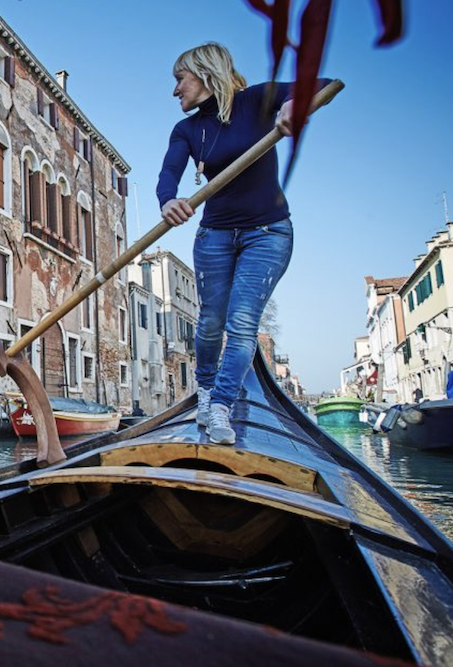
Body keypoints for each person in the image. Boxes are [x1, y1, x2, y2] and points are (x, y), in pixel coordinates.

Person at [157, 42, 323, 445]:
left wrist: (294, 107)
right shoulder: (187, 130)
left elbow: (325, 83)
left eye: (180, 79)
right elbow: (168, 173)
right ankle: (207, 389)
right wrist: (168, 201)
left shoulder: (259, 100)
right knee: (211, 321)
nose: (175, 90)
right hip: (214, 235)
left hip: (268, 233)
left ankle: (220, 407)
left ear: (204, 72)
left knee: (243, 322)